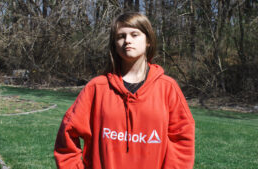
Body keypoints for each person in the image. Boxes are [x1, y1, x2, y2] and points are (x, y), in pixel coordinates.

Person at [54, 12, 195, 169]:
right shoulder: (97, 88)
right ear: (114, 44)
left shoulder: (167, 88)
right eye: (121, 36)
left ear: (148, 40)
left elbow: (183, 141)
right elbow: (67, 134)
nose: (127, 40)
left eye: (135, 35)